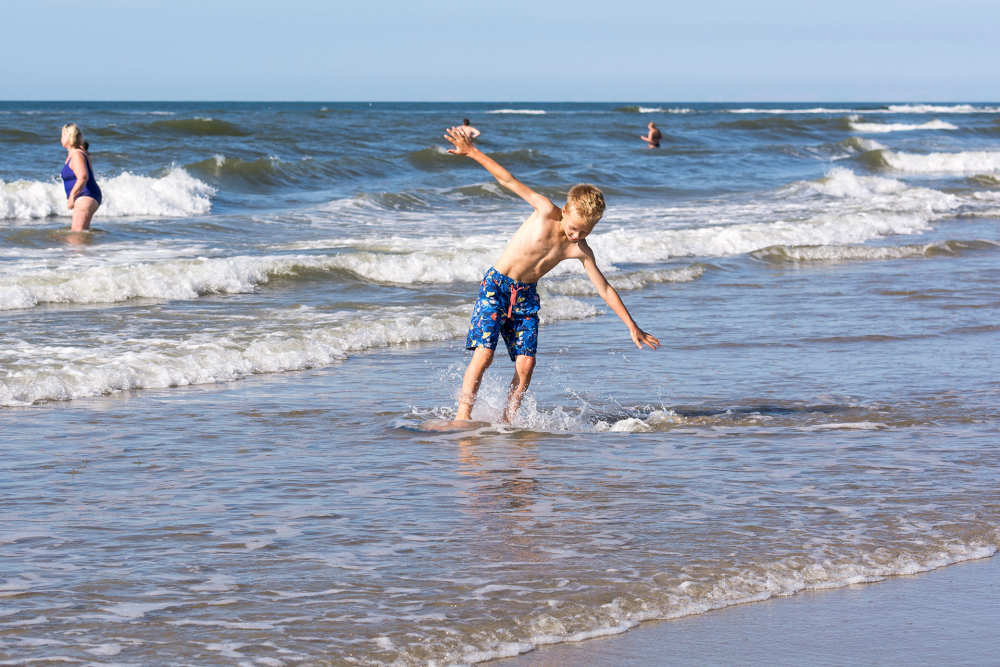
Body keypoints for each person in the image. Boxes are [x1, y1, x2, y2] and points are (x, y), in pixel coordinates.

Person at [443, 126, 659, 425]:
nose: (576, 236)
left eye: (585, 232)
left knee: (526, 364)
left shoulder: (580, 249)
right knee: (485, 354)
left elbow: (605, 288)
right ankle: (462, 416)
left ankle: (507, 421)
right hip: (497, 286)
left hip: (526, 296)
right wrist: (472, 152)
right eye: (574, 228)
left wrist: (632, 326)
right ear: (565, 210)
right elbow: (508, 180)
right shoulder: (544, 210)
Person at [60, 123, 102, 231]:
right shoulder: (76, 153)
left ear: (69, 137)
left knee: (77, 234)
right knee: (79, 233)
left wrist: (72, 196)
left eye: (63, 135)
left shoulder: (76, 154)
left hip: (86, 195)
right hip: (85, 196)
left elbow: (83, 177)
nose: (61, 138)